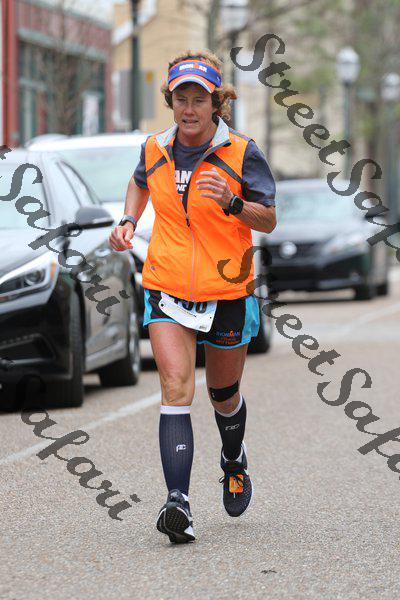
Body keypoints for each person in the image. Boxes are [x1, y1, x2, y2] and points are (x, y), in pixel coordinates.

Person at [109, 50, 276, 544]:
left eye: (198, 100)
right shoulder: (154, 148)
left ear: (215, 104)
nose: (188, 109)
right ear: (171, 102)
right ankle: (177, 503)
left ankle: (233, 459)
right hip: (167, 285)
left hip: (227, 288)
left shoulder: (242, 152)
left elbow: (268, 219)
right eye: (180, 99)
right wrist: (128, 220)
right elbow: (139, 183)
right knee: (175, 389)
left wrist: (233, 202)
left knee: (222, 394)